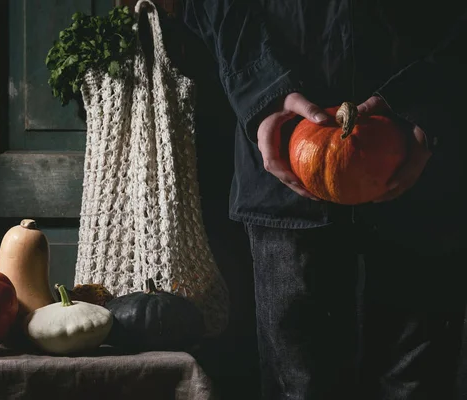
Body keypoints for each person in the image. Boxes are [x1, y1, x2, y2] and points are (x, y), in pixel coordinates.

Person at [181, 0, 467, 399]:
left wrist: (431, 98)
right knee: (298, 385)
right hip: (287, 164)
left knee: (416, 384)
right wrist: (263, 89)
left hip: (423, 158)